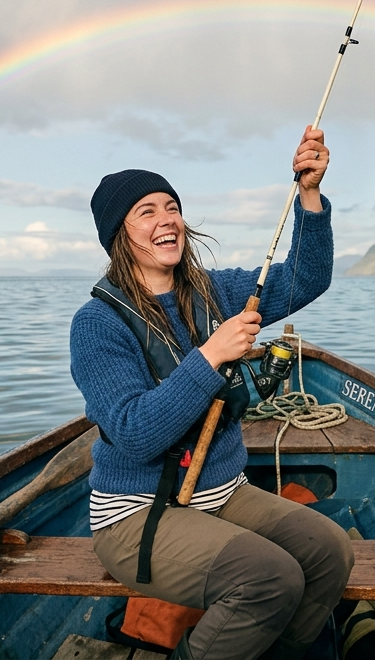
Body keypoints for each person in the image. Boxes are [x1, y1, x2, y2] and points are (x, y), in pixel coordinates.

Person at [70, 127, 354, 660]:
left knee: (329, 552)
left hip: (221, 492)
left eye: (172, 207)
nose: (167, 220)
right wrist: (210, 355)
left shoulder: (214, 292)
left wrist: (310, 195)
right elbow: (133, 433)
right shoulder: (96, 325)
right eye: (147, 212)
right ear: (118, 235)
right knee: (269, 578)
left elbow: (306, 278)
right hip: (137, 514)